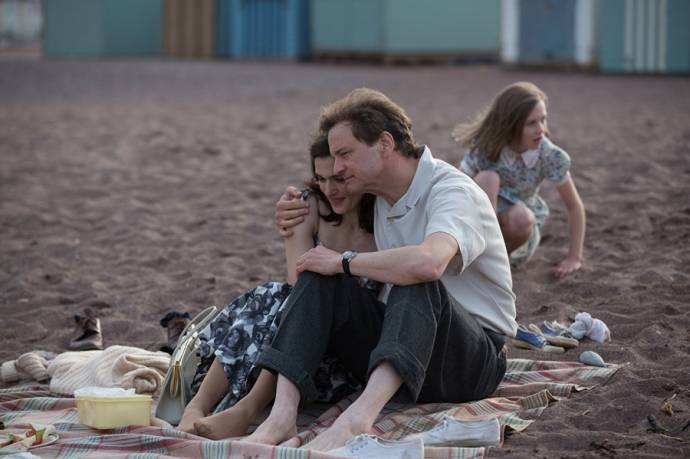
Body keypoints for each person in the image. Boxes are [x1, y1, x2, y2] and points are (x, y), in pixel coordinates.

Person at [247, 88, 517, 451]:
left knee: (415, 275)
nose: (337, 167)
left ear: (385, 144)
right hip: (403, 356)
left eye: (345, 154)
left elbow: (429, 262)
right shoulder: (378, 199)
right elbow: (326, 201)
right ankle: (280, 416)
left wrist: (341, 261)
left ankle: (358, 419)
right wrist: (295, 209)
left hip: (471, 362)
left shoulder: (452, 191)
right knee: (319, 273)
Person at [175, 134, 377, 439]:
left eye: (338, 178)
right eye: (320, 179)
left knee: (278, 301)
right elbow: (301, 289)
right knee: (274, 296)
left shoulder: (384, 221)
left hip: (342, 359)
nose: (330, 189)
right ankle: (197, 407)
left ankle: (246, 408)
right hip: (298, 345)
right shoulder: (307, 207)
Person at [453, 81, 586, 277]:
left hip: (518, 231)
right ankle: (478, 254)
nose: (540, 129)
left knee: (521, 218)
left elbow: (574, 207)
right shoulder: (487, 147)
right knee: (488, 178)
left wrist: (574, 257)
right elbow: (456, 189)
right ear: (511, 124)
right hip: (483, 221)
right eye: (531, 123)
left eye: (543, 120)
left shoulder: (549, 156)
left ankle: (495, 260)